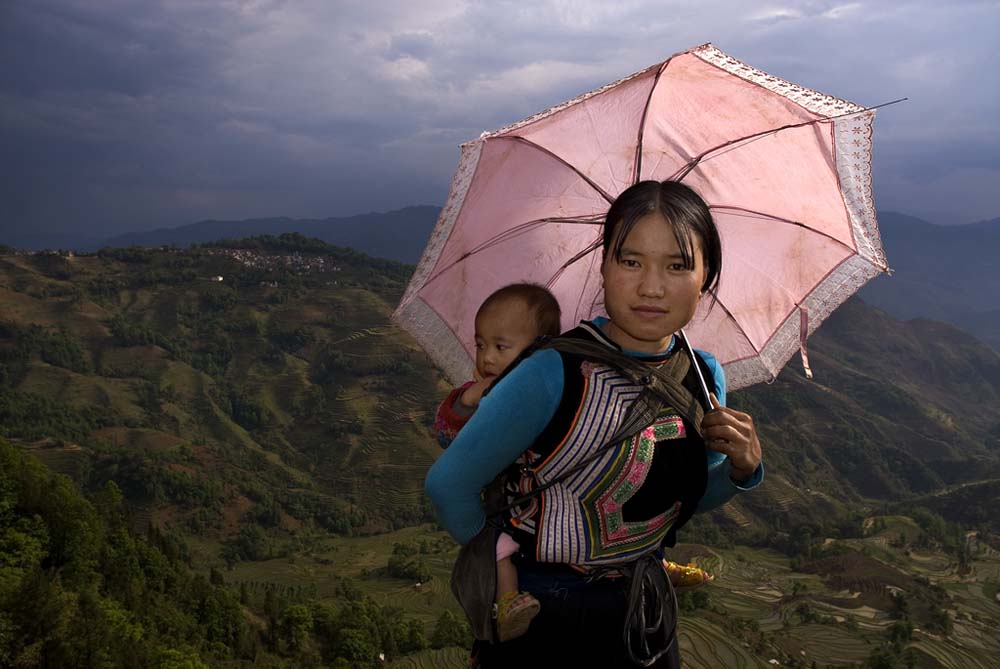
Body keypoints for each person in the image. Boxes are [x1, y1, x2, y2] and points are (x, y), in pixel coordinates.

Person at [425, 179, 763, 668]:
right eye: (630, 261)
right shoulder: (550, 372)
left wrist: (741, 471)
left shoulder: (703, 376)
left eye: (677, 265)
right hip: (546, 617)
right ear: (603, 266)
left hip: (643, 616)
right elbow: (448, 486)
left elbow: (685, 498)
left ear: (706, 278)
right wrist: (498, 560)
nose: (651, 286)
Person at [434, 283, 562, 642]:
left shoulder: (551, 391)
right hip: (502, 505)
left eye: (500, 347)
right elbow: (445, 431)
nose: (486, 357)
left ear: (540, 349)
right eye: (480, 344)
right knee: (496, 546)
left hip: (548, 507)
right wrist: (471, 400)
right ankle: (507, 601)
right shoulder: (477, 392)